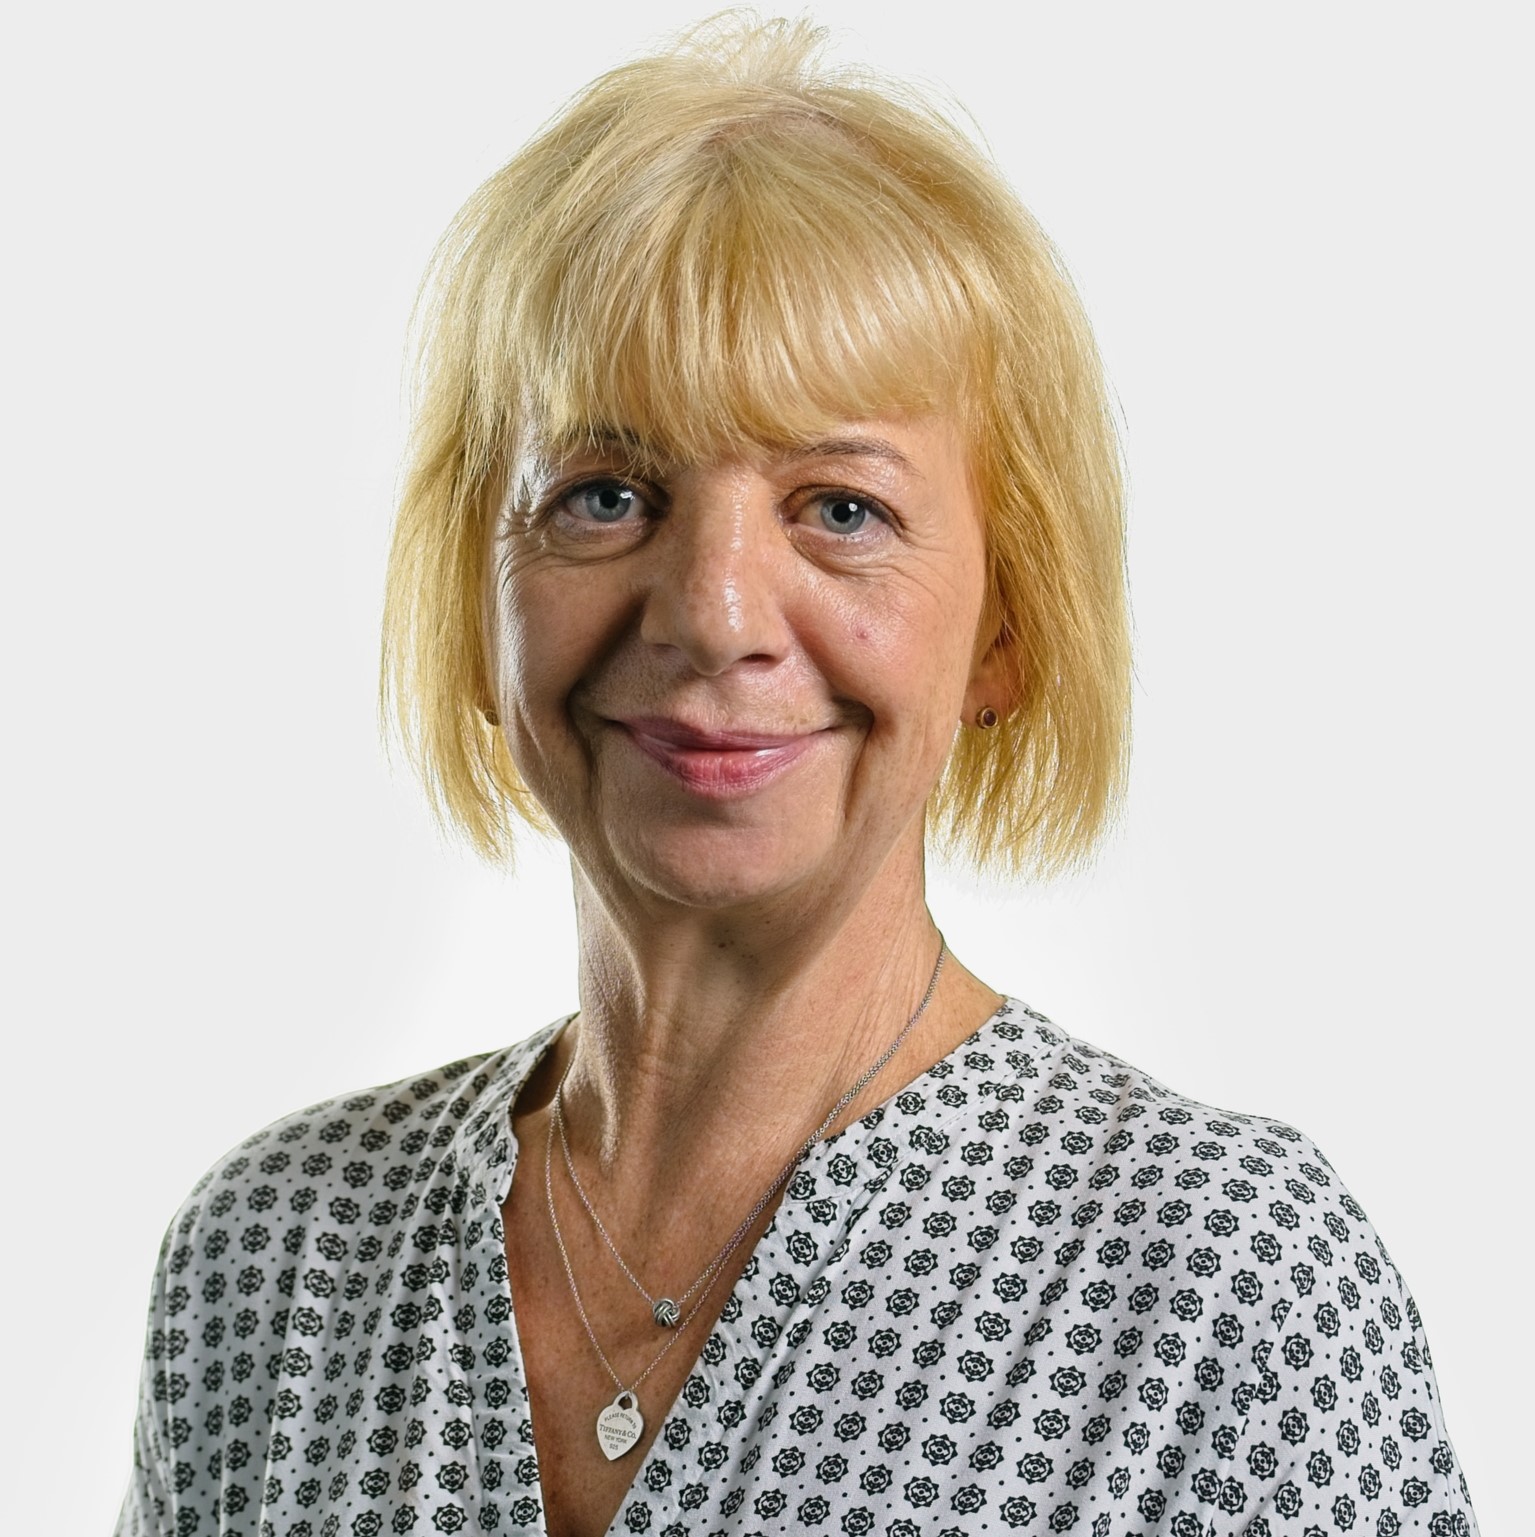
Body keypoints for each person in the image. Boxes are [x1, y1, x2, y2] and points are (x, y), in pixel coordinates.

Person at [114, 14, 1478, 1537]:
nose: (712, 614)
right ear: (474, 599)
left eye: (840, 508)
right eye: (605, 494)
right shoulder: (270, 1263)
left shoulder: (1223, 1290)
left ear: (1007, 629)